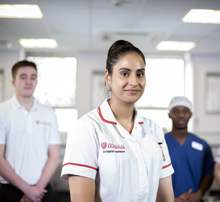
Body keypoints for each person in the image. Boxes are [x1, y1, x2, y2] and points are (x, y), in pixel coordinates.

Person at [61, 40, 174, 202]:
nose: (134, 82)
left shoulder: (154, 130)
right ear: (108, 77)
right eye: (125, 73)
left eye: (140, 74)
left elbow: (165, 197)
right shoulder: (86, 128)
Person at [0, 60, 61, 202]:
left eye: (33, 77)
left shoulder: (48, 113)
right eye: (23, 77)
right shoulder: (2, 111)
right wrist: (27, 190)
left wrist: (36, 190)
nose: (29, 81)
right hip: (9, 189)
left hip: (42, 189)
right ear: (13, 81)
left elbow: (55, 156)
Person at [165, 96, 214, 202]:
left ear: (190, 114)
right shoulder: (160, 143)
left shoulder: (202, 145)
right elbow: (151, 175)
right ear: (169, 115)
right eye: (176, 111)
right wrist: (170, 199)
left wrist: (199, 194)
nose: (181, 115)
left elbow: (209, 172)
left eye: (185, 111)